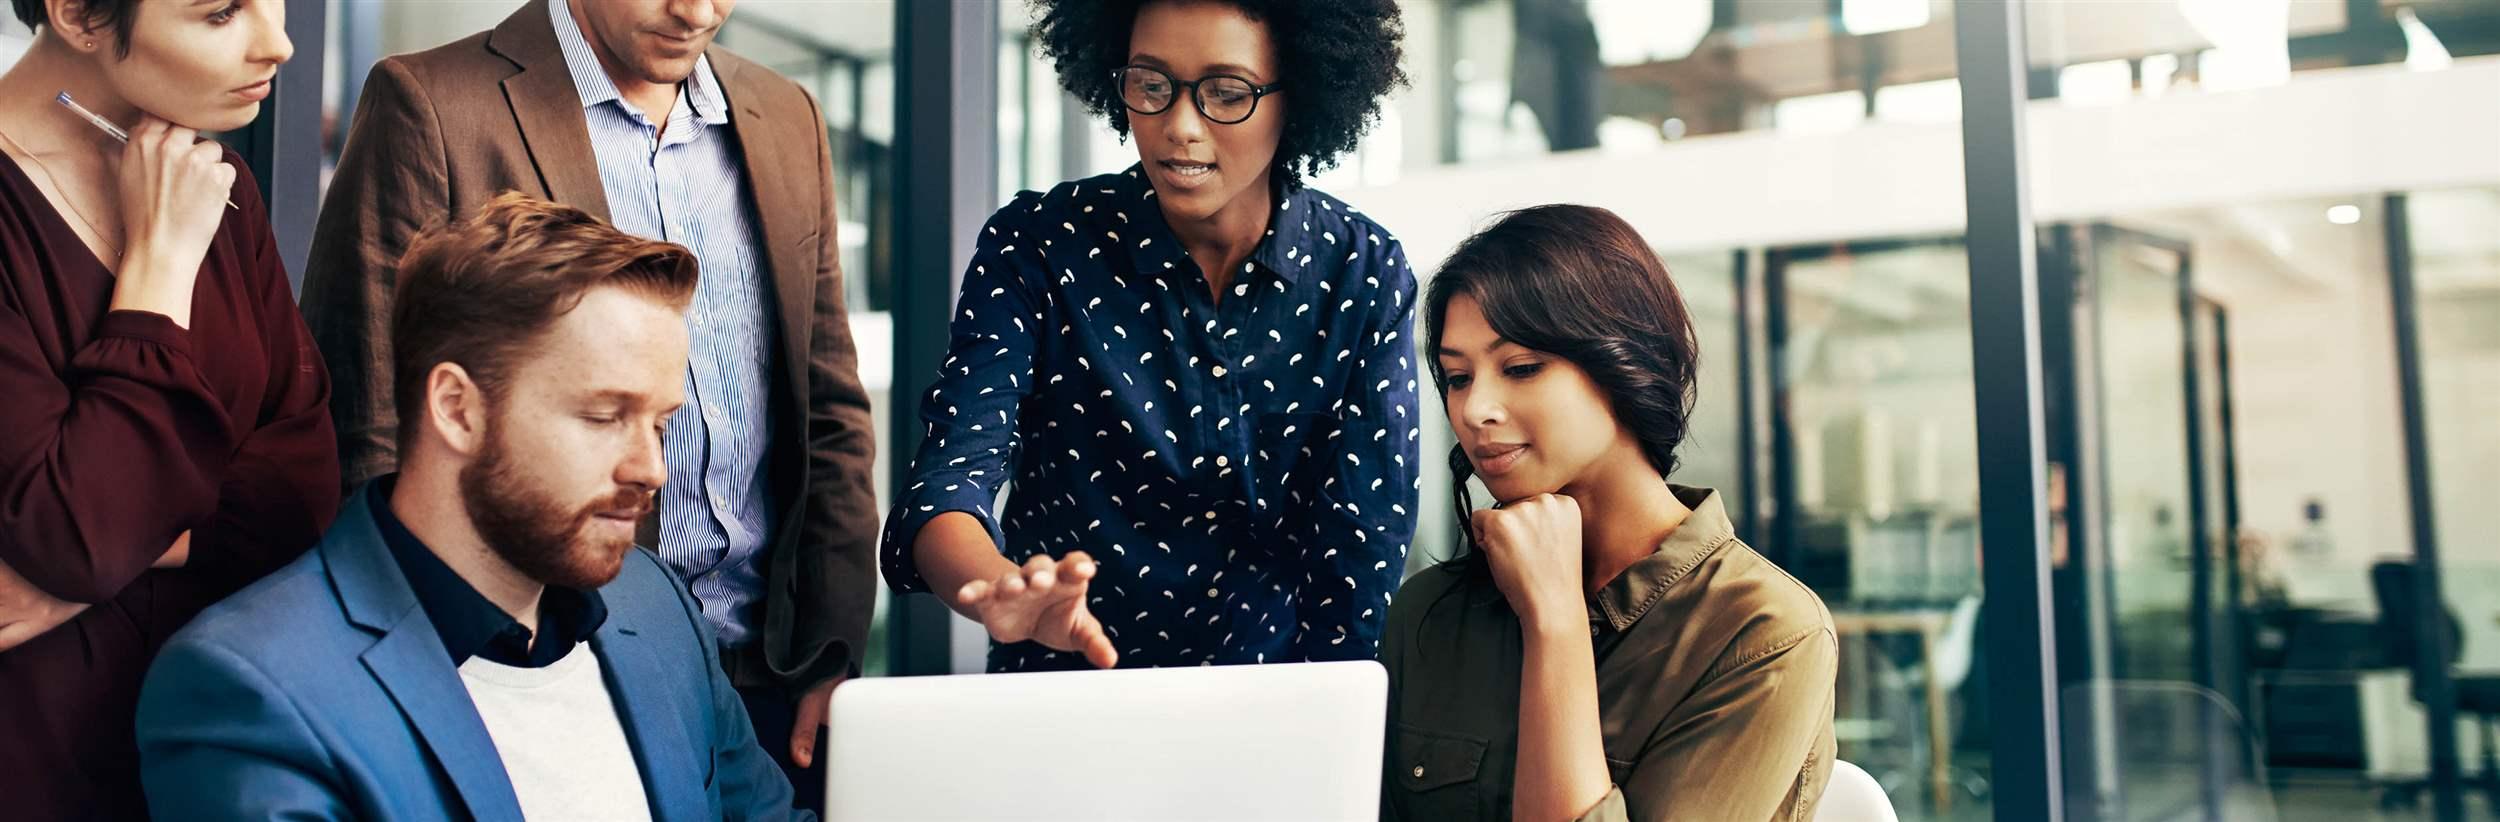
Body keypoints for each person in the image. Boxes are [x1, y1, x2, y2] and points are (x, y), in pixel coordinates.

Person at [297, 0, 878, 799]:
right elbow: (370, 420)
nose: (698, 11)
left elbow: (828, 405)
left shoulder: (784, 113)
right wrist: (445, 663)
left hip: (776, 679)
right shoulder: (431, 103)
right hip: (542, 672)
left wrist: (833, 645)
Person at [138, 193, 808, 822]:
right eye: (605, 416)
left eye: (660, 424)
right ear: (457, 409)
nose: (650, 468)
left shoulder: (657, 607)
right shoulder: (253, 688)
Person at [879, 0, 1416, 672]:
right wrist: (992, 590)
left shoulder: (1362, 273)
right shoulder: (1040, 245)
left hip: (1275, 717)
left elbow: (1360, 558)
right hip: (1064, 706)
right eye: (1152, 86)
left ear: (1300, 95)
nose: (1179, 127)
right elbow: (950, 478)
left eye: (1227, 93)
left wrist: (1335, 739)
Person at [1382, 206, 1838, 821]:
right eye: (1457, 377)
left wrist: (1556, 620)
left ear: (1624, 364)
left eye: (1521, 368)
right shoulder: (1428, 614)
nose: (1475, 409)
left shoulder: (1764, 634)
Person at [0, 0, 338, 816]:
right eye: (220, 14)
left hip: (221, 749)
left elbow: (303, 495)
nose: (280, 43)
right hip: (39, 767)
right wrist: (159, 264)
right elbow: (78, 535)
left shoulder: (218, 185)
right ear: (79, 13)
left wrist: (125, 550)